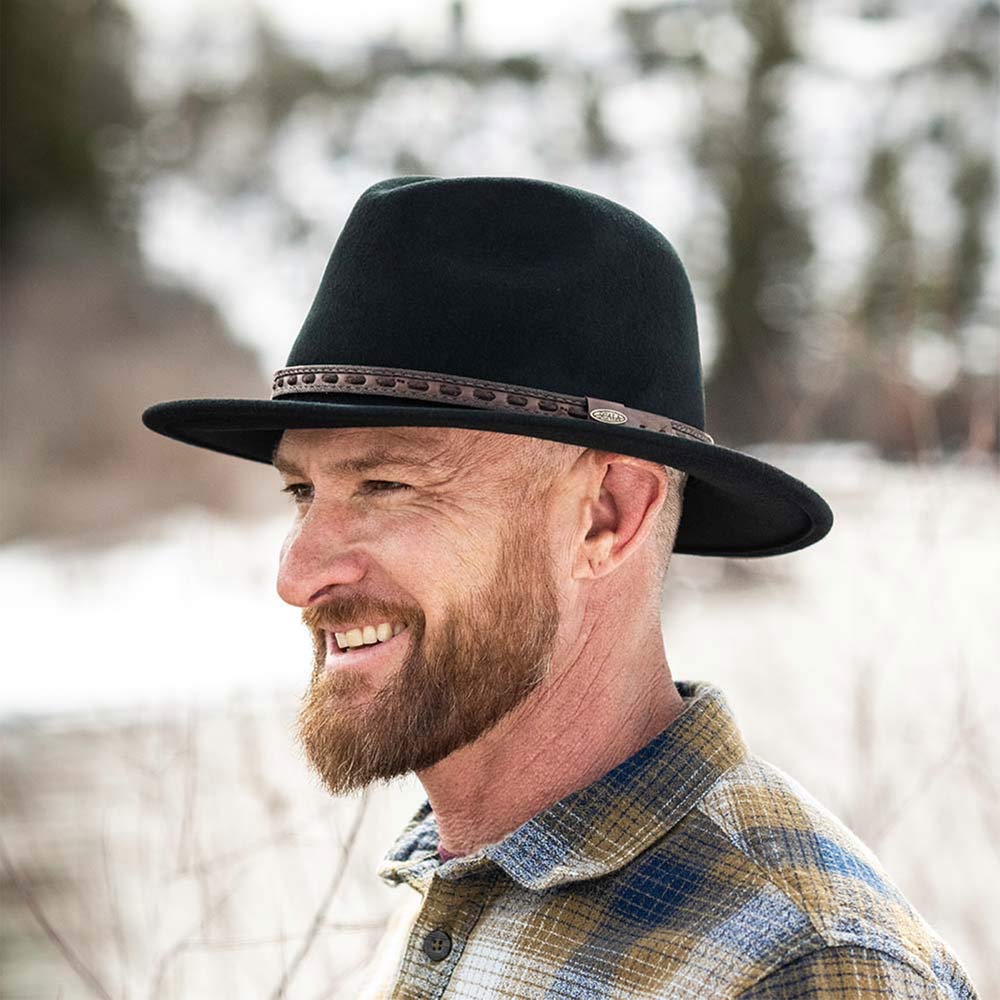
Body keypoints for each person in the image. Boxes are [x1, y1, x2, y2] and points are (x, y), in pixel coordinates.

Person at [143, 176, 978, 998]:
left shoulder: (800, 968)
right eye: (301, 492)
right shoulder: (462, 874)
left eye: (386, 486)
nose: (295, 577)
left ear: (606, 516)